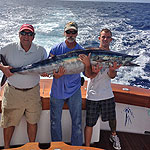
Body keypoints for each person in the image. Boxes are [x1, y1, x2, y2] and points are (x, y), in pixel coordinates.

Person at [0, 24, 47, 149]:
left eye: (29, 34)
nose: (26, 36)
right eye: (24, 33)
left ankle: (31, 147)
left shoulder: (40, 51)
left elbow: (46, 68)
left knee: (32, 121)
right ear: (19, 35)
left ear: (34, 37)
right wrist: (2, 68)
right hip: (13, 92)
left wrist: (48, 72)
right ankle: (6, 148)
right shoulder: (9, 48)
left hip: (33, 92)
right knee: (9, 122)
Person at [83, 28, 121, 150]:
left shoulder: (114, 56)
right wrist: (90, 67)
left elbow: (112, 76)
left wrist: (112, 69)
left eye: (108, 37)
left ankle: (113, 135)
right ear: (99, 38)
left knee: (112, 118)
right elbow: (87, 74)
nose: (105, 39)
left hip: (107, 94)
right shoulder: (91, 53)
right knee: (89, 123)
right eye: (103, 37)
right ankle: (88, 147)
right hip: (92, 95)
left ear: (111, 39)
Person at [49, 22, 85, 146]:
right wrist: (55, 75)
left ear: (77, 34)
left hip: (74, 90)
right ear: (64, 33)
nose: (71, 34)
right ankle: (57, 147)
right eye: (68, 32)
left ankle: (77, 147)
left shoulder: (82, 52)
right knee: (55, 122)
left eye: (73, 32)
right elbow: (48, 69)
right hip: (57, 90)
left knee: (77, 122)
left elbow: (87, 72)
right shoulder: (55, 49)